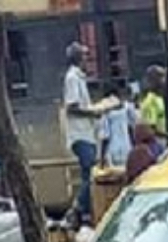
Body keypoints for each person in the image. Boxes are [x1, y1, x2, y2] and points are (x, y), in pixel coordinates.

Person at [64, 43, 105, 225]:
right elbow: (72, 108)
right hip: (80, 134)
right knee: (90, 174)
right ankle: (77, 209)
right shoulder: (72, 78)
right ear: (79, 59)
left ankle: (85, 214)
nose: (88, 62)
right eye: (86, 58)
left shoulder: (79, 78)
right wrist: (93, 112)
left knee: (88, 174)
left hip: (86, 133)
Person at [99, 83, 137, 167]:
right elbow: (132, 130)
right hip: (127, 148)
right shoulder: (127, 109)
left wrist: (101, 159)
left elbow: (105, 137)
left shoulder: (106, 114)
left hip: (113, 150)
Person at [140, 65, 168, 141]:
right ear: (154, 79)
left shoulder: (159, 98)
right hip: (157, 144)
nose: (164, 80)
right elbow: (152, 129)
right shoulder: (150, 101)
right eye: (161, 77)